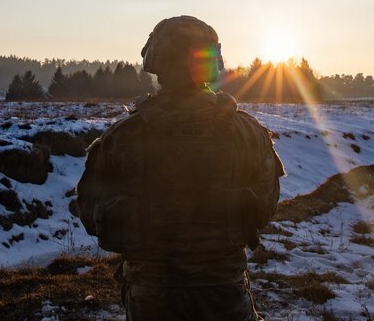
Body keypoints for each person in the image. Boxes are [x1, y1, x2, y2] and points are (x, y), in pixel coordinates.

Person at [77, 16, 285, 321]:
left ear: (158, 62)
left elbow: (90, 214)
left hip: (152, 295)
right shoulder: (247, 132)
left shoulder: (124, 136)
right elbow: (266, 207)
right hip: (224, 291)